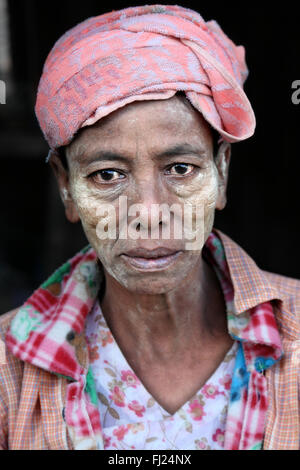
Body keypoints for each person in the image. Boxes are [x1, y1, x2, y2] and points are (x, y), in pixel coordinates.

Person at [0, 4, 299, 451]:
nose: (150, 211)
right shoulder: (7, 369)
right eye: (107, 175)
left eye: (180, 168)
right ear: (66, 189)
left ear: (222, 172)